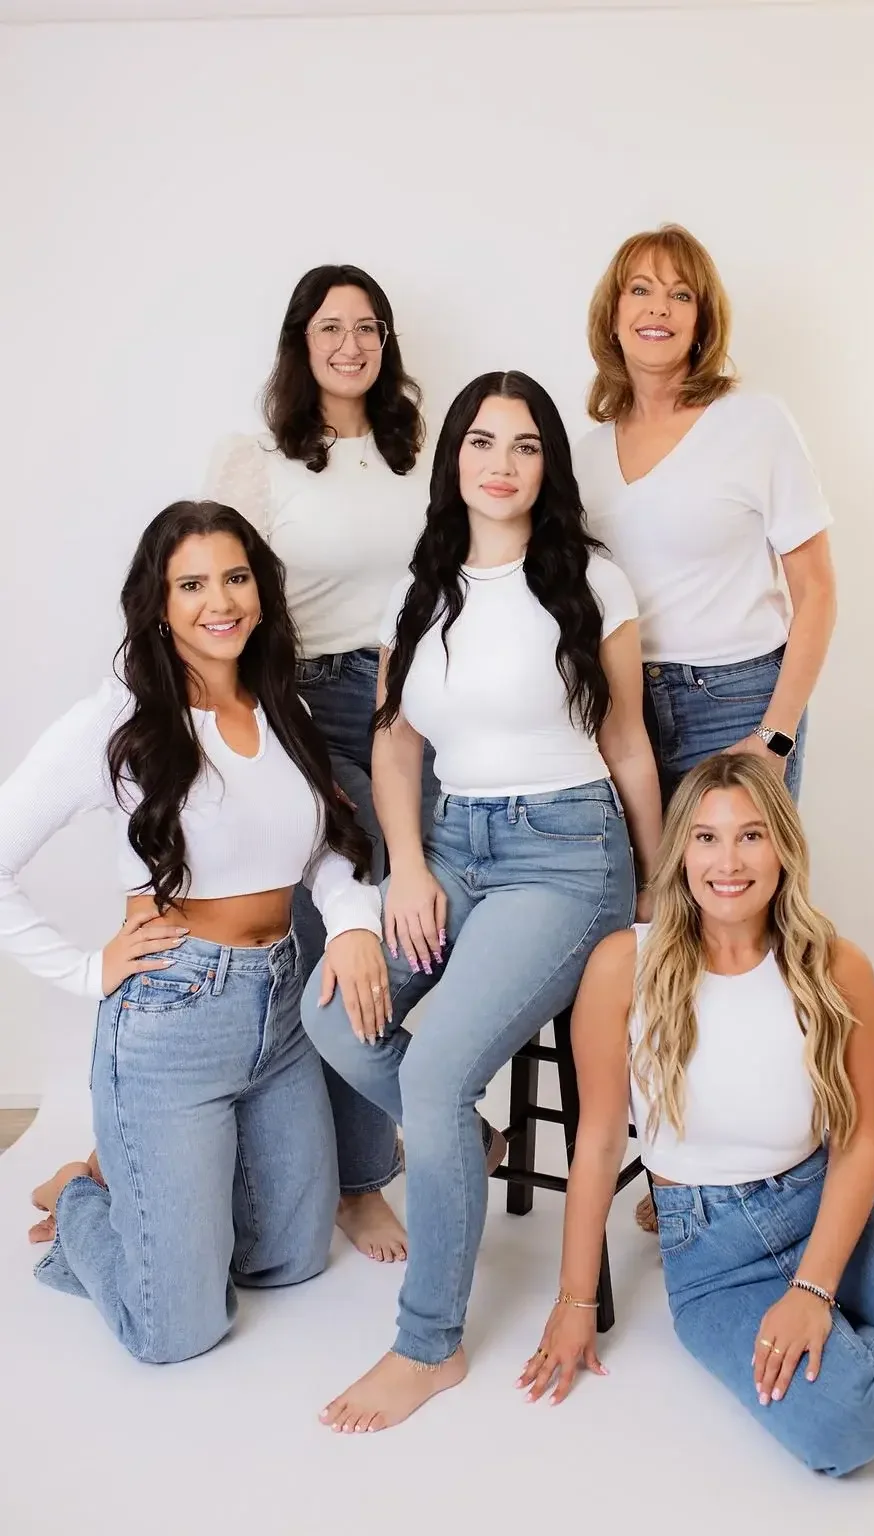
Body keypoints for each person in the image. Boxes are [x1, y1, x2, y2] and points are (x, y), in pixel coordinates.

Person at [301, 370, 663, 1433]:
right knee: (330, 1013)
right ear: (452, 456)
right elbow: (394, 741)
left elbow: (628, 743)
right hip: (450, 845)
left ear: (546, 466)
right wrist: (404, 866)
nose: (499, 464)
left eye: (524, 446)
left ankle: (429, 1347)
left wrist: (649, 895)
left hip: (566, 853)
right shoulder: (414, 589)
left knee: (438, 1064)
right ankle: (460, 1134)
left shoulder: (590, 580)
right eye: (480, 441)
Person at [520, 754, 874, 1475]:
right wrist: (573, 1299)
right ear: (680, 853)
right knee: (844, 1428)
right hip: (714, 1258)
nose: (729, 861)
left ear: (784, 847)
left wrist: (815, 1289)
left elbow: (859, 1144)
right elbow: (598, 1141)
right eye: (706, 838)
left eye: (751, 836)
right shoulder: (621, 965)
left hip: (833, 1207)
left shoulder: (839, 968)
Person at [1, 501, 383, 1362]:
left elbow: (325, 852)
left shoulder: (285, 709)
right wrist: (86, 972)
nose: (222, 601)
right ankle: (81, 1204)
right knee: (177, 1329)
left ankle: (143, 1195)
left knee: (291, 1261)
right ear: (159, 603)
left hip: (280, 1016)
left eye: (237, 577)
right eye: (193, 583)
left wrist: (355, 924)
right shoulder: (118, 718)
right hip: (170, 1023)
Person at [206, 263, 431, 1261]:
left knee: (438, 908)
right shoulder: (257, 459)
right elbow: (221, 602)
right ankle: (360, 1175)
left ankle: (418, 1104)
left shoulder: (414, 452)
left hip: (416, 699)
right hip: (308, 702)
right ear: (302, 343)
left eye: (368, 328)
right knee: (354, 922)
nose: (351, 345)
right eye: (331, 327)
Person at [574, 223, 837, 807]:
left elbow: (816, 590)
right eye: (640, 290)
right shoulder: (583, 456)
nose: (658, 309)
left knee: (736, 893)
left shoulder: (756, 424)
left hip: (737, 700)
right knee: (644, 894)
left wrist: (776, 733)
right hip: (622, 710)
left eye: (681, 294)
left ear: (701, 321)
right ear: (613, 317)